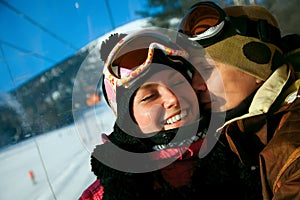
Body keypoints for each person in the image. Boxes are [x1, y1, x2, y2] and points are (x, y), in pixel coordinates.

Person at [79, 29, 260, 200]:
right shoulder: (107, 192)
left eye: (177, 83)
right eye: (150, 96)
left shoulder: (245, 143)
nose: (173, 99)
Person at [178, 1, 300, 199]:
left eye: (207, 70)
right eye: (194, 72)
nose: (196, 85)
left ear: (257, 69)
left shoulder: (293, 155)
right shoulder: (240, 136)